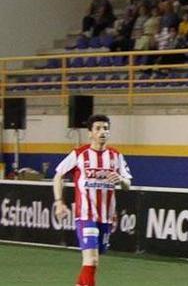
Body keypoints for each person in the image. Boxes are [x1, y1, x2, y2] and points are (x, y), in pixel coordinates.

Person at [52, 115, 132, 286]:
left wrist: (120, 180)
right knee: (91, 260)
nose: (103, 132)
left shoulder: (116, 156)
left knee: (94, 260)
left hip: (106, 217)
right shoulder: (79, 154)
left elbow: (128, 184)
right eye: (98, 128)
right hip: (85, 216)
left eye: (105, 128)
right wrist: (59, 201)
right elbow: (58, 175)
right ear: (90, 133)